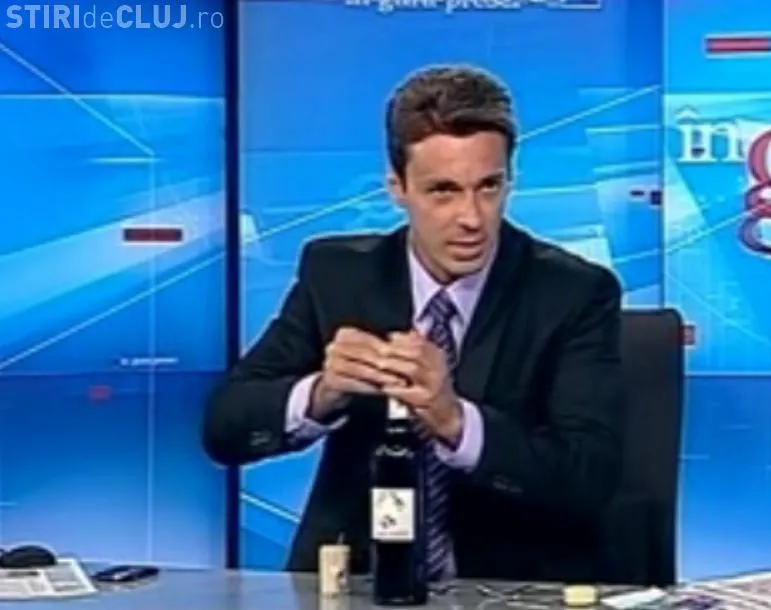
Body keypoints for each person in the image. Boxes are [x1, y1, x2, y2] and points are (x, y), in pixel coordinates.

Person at [204, 65, 626, 582]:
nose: (472, 218)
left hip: (507, 587)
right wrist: (321, 394)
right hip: (356, 583)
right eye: (443, 191)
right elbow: (224, 429)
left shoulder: (572, 293)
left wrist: (455, 421)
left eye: (488, 187)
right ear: (397, 188)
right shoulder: (338, 276)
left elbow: (590, 477)